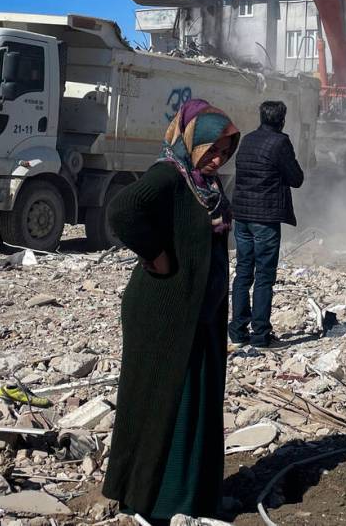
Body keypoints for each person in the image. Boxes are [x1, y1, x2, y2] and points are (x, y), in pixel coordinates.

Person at [102, 99, 239, 524]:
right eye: (211, 148)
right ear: (190, 142)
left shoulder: (205, 184)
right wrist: (157, 255)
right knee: (164, 402)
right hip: (164, 313)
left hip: (198, 314)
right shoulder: (170, 175)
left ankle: (193, 497)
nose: (218, 158)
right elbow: (122, 211)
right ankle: (155, 502)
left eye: (225, 150)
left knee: (196, 401)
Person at [229, 100, 304, 347]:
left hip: (242, 217)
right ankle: (260, 335)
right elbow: (296, 179)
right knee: (263, 276)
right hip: (265, 219)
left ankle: (238, 332)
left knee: (242, 273)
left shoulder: (248, 139)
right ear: (282, 120)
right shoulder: (280, 142)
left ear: (261, 117)